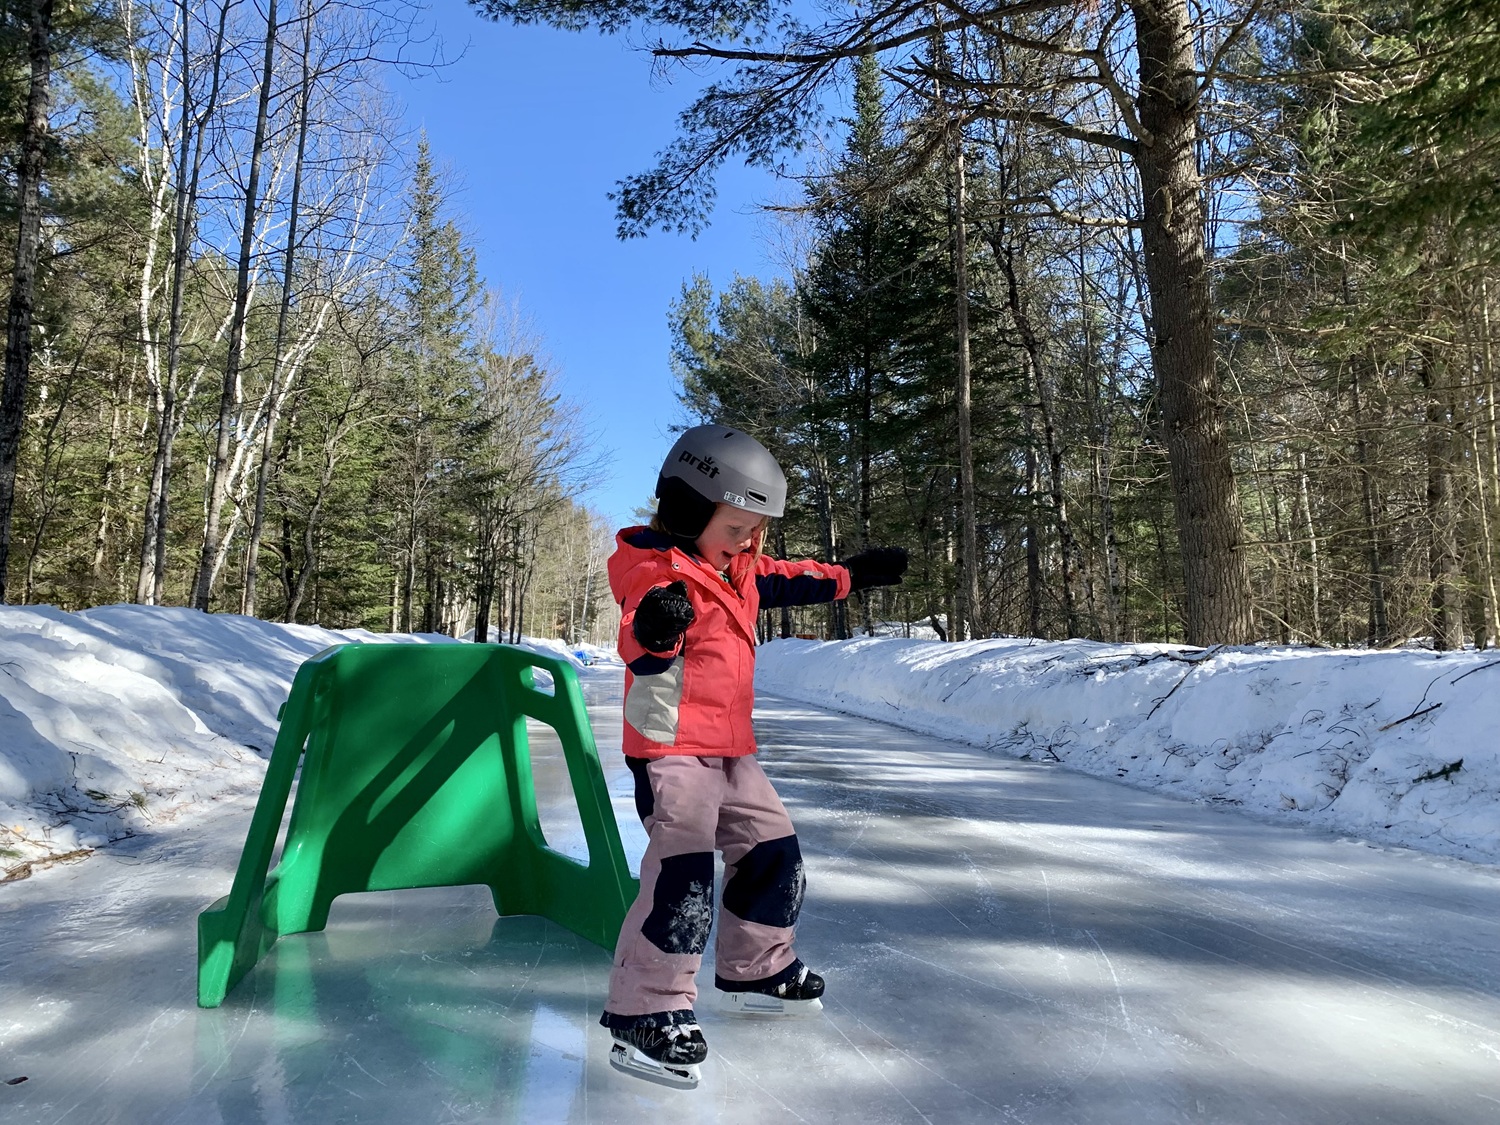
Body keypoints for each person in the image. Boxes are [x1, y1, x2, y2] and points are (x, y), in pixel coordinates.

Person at [601, 423, 908, 1088]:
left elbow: (794, 578)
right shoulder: (654, 571)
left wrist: (852, 576)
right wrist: (659, 628)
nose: (749, 544)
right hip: (671, 751)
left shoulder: (736, 569)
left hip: (731, 750)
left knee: (774, 851)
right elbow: (638, 632)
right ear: (688, 510)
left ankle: (757, 967)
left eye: (754, 532)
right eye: (739, 528)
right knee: (683, 878)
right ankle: (645, 1010)